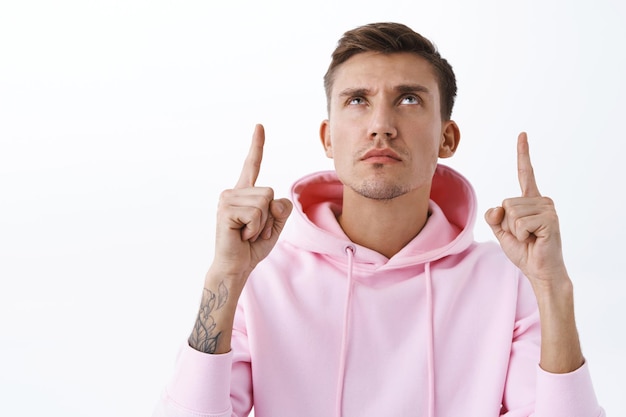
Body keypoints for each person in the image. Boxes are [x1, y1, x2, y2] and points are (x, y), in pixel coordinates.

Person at [153, 22, 604, 417]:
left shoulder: (509, 281)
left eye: (408, 99)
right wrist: (225, 278)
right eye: (356, 100)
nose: (381, 125)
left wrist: (553, 288)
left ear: (447, 137)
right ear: (328, 138)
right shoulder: (262, 278)